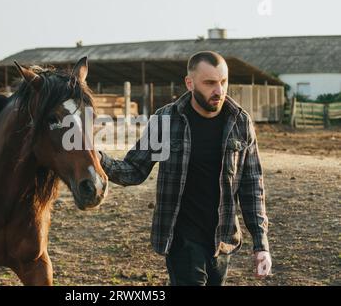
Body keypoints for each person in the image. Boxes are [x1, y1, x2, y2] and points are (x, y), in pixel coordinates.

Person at [97, 51, 272, 286]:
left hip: (222, 241)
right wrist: (94, 158)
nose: (219, 90)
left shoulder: (241, 122)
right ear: (189, 83)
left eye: (223, 82)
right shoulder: (165, 120)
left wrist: (261, 245)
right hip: (182, 240)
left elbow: (252, 187)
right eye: (209, 83)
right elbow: (134, 170)